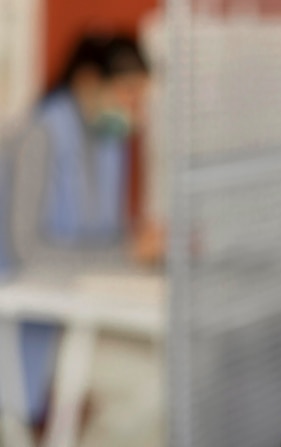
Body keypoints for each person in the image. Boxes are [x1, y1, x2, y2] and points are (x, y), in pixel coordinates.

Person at [0, 33, 149, 429]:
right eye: (127, 94)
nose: (135, 110)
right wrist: (126, 253)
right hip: (18, 313)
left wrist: (140, 245)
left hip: (67, 313)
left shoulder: (109, 140)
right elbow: (28, 250)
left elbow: (106, 234)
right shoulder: (39, 136)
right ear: (87, 82)